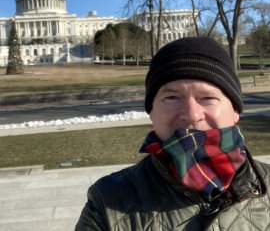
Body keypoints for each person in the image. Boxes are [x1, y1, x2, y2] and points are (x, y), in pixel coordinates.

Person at [75, 37, 270, 230]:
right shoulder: (107, 201)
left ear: (235, 110)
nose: (191, 114)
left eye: (207, 97)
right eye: (172, 97)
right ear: (151, 111)